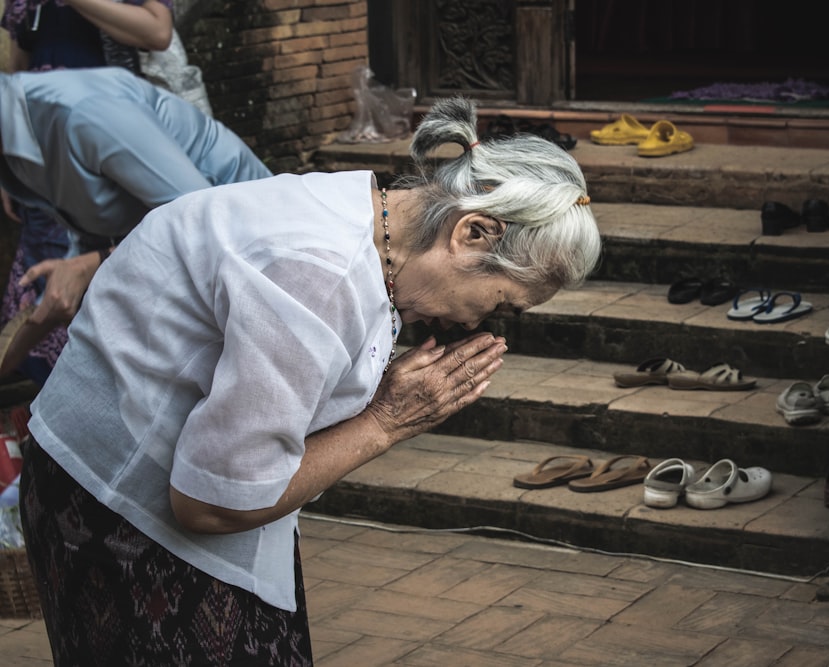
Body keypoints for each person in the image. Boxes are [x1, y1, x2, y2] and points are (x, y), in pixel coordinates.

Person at [19, 95, 601, 665]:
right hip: (118, 508)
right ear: (472, 233)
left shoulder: (367, 209)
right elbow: (210, 503)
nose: (475, 322)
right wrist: (387, 422)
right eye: (498, 303)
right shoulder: (318, 275)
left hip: (112, 475)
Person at [0, 65, 272, 379]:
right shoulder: (16, 152)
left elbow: (202, 218)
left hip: (249, 245)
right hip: (175, 255)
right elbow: (89, 236)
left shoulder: (82, 113)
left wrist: (94, 265)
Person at [0, 0, 172, 385]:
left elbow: (158, 33)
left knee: (115, 282)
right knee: (42, 283)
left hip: (109, 152)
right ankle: (48, 412)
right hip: (41, 158)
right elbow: (17, 70)